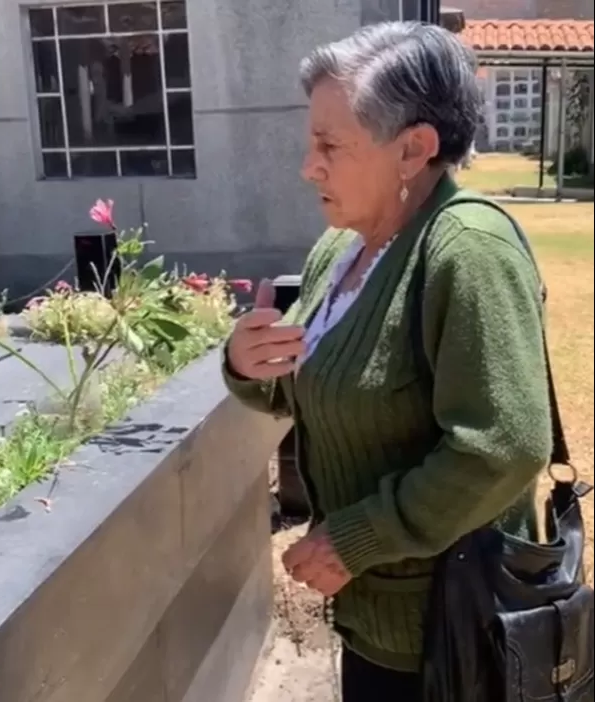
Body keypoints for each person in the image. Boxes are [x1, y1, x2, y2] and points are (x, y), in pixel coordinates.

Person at [222, 21, 552, 701]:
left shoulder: (466, 251)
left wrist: (353, 539)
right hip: (377, 622)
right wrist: (246, 365)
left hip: (453, 634)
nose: (307, 166)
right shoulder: (339, 251)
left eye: (330, 145)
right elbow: (314, 391)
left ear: (413, 150)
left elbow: (504, 446)